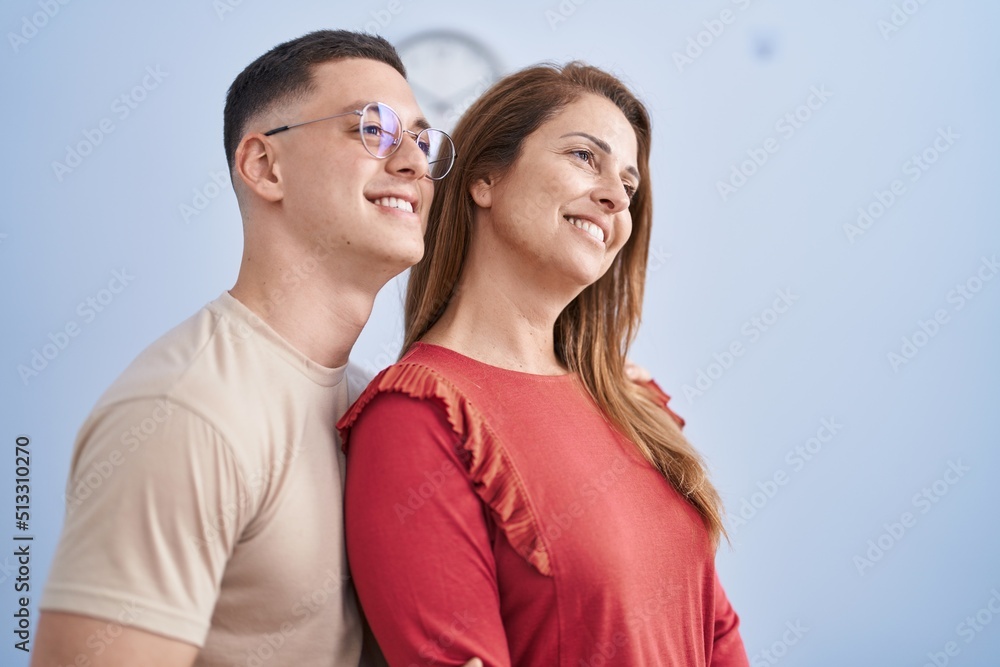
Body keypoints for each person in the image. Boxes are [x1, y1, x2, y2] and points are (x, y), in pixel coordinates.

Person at [31, 30, 481, 667]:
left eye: (422, 140)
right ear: (265, 167)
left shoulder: (382, 408)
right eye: (372, 130)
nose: (413, 163)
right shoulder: (185, 414)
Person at [340, 62, 750, 666]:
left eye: (629, 185)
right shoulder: (416, 420)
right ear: (485, 178)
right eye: (586, 157)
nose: (614, 195)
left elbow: (717, 636)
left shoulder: (638, 408)